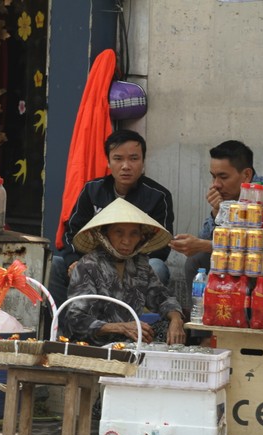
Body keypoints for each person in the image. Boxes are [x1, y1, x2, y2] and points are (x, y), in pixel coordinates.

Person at [49, 129, 174, 306]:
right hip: (93, 265)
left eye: (133, 158)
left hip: (134, 268)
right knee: (55, 265)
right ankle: (63, 328)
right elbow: (71, 232)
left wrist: (125, 264)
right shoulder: (92, 190)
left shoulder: (158, 196)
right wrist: (73, 261)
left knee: (157, 267)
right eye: (118, 159)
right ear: (108, 161)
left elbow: (161, 246)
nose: (126, 166)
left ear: (143, 162)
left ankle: (134, 326)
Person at [59, 198, 186, 346]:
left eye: (134, 234)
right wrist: (120, 328)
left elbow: (163, 298)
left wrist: (176, 320)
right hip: (93, 348)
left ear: (141, 237)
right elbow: (75, 321)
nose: (127, 241)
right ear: (105, 234)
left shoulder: (140, 264)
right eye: (119, 233)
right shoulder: (87, 266)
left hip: (130, 347)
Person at [169, 140, 261, 286]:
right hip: (234, 263)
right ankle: (201, 307)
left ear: (246, 175)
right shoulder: (227, 195)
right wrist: (217, 211)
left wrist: (204, 245)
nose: (215, 184)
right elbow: (202, 241)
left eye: (223, 177)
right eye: (213, 176)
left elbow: (253, 248)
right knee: (196, 260)